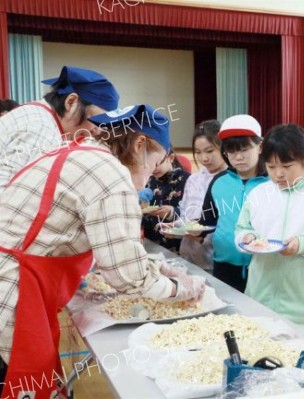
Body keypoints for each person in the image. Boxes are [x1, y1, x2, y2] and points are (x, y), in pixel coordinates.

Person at [0, 104, 204, 398]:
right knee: (21, 378)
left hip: (19, 275)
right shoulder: (110, 174)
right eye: (152, 163)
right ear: (139, 144)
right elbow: (127, 276)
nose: (148, 178)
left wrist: (158, 268)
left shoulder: (82, 151)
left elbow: (110, 245)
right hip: (14, 285)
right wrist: (178, 289)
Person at [236, 124, 304, 337]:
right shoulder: (259, 194)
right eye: (271, 167)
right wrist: (247, 238)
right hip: (259, 300)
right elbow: (242, 228)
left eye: (287, 166)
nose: (278, 174)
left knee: (299, 367)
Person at [0, 66, 119, 191]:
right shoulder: (42, 128)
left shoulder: (40, 115)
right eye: (96, 120)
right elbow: (5, 191)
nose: (98, 130)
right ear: (71, 102)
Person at [200, 114, 269, 291]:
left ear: (260, 146)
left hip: (263, 267)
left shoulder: (271, 182)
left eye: (244, 149)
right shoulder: (219, 181)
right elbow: (206, 222)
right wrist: (190, 232)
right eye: (231, 151)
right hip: (223, 264)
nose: (238, 157)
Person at [179, 120, 227, 270]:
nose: (204, 158)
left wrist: (202, 233)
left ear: (223, 148)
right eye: (198, 152)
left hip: (215, 259)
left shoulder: (229, 180)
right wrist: (177, 227)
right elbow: (185, 213)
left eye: (210, 151)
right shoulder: (193, 179)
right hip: (188, 255)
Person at [142, 146, 190, 253]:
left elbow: (196, 217)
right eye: (148, 164)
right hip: (151, 244)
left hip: (176, 247)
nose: (153, 168)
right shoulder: (149, 180)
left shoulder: (188, 181)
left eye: (157, 164)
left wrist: (172, 213)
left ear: (171, 158)